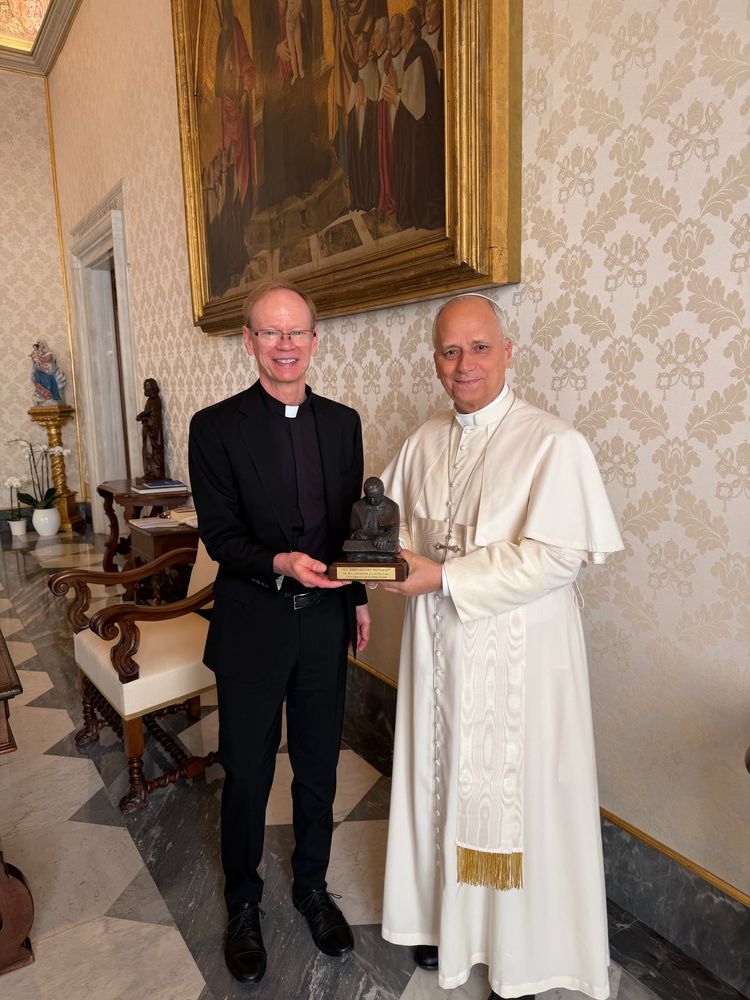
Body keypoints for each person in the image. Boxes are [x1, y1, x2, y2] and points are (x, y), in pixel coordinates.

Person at [378, 293, 623, 1000]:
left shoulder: (554, 444)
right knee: (440, 778)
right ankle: (446, 926)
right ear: (435, 362)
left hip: (520, 656)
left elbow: (559, 558)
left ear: (509, 352)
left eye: (479, 348)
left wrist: (445, 575)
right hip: (440, 648)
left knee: (518, 792)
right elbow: (388, 530)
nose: (464, 365)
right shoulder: (423, 441)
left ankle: (521, 950)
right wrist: (386, 559)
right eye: (450, 351)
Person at [189, 280, 371, 985]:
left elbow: (352, 529)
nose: (286, 345)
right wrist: (280, 563)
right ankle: (242, 905)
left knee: (320, 770)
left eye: (298, 332)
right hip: (254, 627)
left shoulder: (343, 422)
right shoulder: (216, 426)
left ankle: (312, 889)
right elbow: (220, 537)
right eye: (272, 332)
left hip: (324, 626)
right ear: (250, 342)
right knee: (248, 773)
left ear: (315, 340)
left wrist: (356, 595)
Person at [384, 6, 445, 231]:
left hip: (422, 134)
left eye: (402, 28)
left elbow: (417, 105)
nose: (399, 33)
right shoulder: (415, 53)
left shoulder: (419, 52)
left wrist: (397, 98)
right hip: (417, 131)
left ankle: (417, 212)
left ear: (410, 25)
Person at [135, 378, 165, 480]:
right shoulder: (150, 400)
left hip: (153, 431)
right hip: (148, 429)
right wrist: (142, 417)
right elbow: (148, 413)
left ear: (153, 386)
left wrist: (141, 416)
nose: (145, 388)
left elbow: (150, 413)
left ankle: (156, 473)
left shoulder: (156, 400)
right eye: (144, 386)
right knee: (147, 452)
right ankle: (149, 472)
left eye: (146, 386)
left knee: (152, 452)